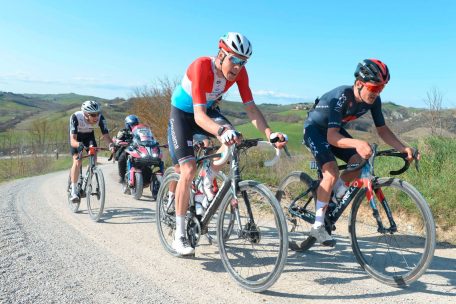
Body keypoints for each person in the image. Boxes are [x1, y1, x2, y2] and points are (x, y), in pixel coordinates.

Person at [167, 32, 288, 256]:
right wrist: (220, 130)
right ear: (221, 54)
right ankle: (179, 235)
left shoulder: (239, 75)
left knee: (236, 138)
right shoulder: (200, 66)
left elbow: (251, 109)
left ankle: (209, 175)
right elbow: (199, 116)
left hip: (208, 112)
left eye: (243, 62)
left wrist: (270, 133)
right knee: (188, 169)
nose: (238, 67)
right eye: (234, 59)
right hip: (184, 115)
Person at [303, 59, 418, 246]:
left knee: (358, 161)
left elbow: (382, 130)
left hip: (333, 131)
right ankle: (317, 227)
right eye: (374, 88)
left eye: (381, 88)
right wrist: (357, 142)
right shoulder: (341, 97)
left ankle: (332, 196)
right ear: (359, 83)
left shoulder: (373, 101)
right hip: (315, 130)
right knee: (331, 172)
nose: (377, 93)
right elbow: (332, 137)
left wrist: (403, 148)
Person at [69, 100, 115, 201]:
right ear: (85, 114)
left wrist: (111, 146)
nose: (96, 117)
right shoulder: (75, 117)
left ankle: (89, 174)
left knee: (94, 157)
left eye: (98, 114)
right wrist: (78, 144)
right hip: (77, 138)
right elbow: (72, 140)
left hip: (89, 136)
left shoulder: (100, 118)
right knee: (77, 161)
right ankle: (73, 190)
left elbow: (106, 136)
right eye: (93, 115)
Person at [113, 115, 139, 183]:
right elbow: (117, 140)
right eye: (133, 124)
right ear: (127, 125)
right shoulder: (123, 131)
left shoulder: (140, 131)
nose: (134, 126)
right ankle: (122, 177)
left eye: (136, 124)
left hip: (138, 149)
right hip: (127, 149)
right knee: (121, 159)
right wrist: (120, 142)